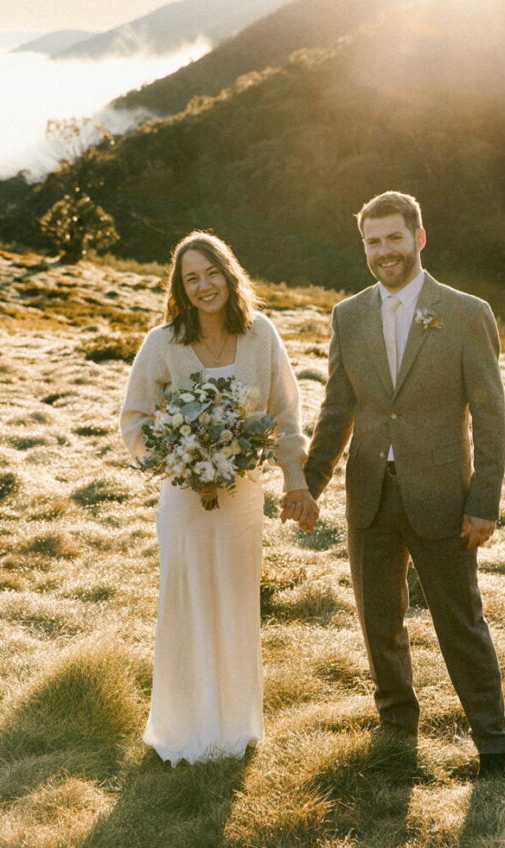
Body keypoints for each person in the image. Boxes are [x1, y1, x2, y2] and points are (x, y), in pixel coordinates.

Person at [282, 190, 505, 779]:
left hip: (443, 495)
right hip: (370, 495)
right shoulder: (348, 314)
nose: (384, 251)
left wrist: (483, 501)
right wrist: (309, 483)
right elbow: (338, 408)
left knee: (460, 622)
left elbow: (490, 415)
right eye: (372, 241)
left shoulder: (465, 312)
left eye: (393, 238)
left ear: (419, 237)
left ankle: (493, 743)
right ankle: (396, 732)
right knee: (379, 622)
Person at [120, 230, 315, 765]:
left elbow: (286, 415)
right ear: (180, 289)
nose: (204, 285)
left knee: (235, 601)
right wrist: (174, 460)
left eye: (212, 273)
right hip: (184, 500)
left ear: (229, 276)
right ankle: (184, 729)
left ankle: (235, 729)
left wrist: (294, 479)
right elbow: (134, 420)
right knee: (186, 603)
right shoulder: (163, 342)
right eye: (192, 278)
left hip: (242, 498)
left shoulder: (261, 335)